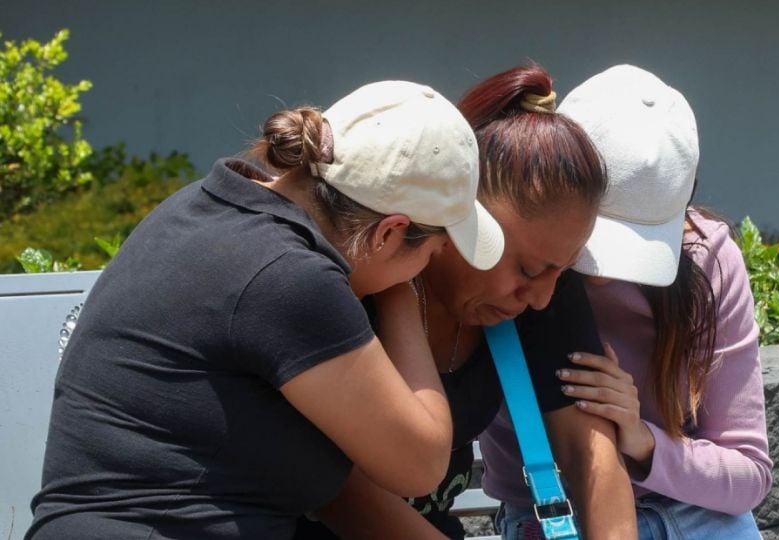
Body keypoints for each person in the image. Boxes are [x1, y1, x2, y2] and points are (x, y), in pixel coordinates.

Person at [27, 80, 505, 540]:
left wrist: (392, 268)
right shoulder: (290, 278)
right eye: (431, 252)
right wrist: (400, 292)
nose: (425, 269)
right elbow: (420, 463)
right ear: (388, 233)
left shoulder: (202, 208)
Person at [301, 64, 640, 539]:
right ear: (461, 219)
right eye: (527, 270)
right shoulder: (358, 284)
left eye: (562, 273)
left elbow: (590, 451)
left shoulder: (538, 288)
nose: (541, 298)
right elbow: (342, 493)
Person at [481, 65, 773, 539]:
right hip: (554, 520)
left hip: (697, 517)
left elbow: (749, 475)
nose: (600, 271)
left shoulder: (707, 259)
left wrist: (643, 440)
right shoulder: (507, 262)